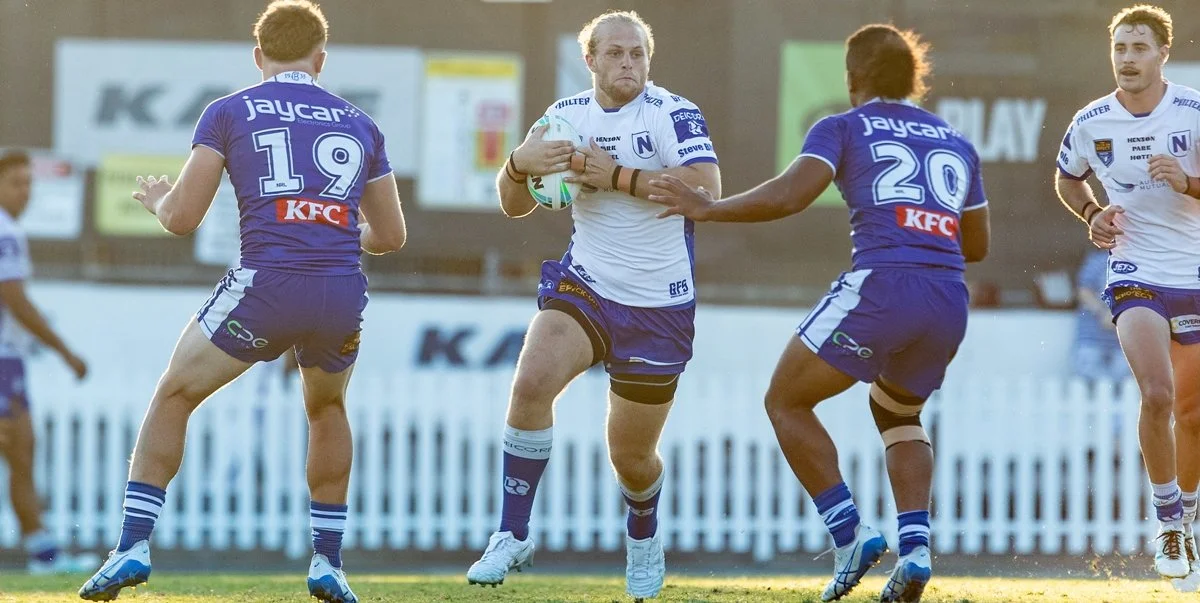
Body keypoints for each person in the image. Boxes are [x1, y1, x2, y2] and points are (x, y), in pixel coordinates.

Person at [78, 1, 407, 601]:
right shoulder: (361, 122)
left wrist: (154, 201)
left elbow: (182, 218)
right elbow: (390, 237)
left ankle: (130, 546)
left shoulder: (229, 111)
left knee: (174, 393)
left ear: (258, 57)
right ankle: (328, 562)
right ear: (320, 58)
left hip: (267, 285)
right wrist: (330, 226)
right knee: (327, 410)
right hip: (339, 290)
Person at [649, 24, 989, 603]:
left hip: (883, 285)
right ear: (914, 79)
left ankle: (850, 533)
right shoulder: (955, 140)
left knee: (785, 400)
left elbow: (789, 195)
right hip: (949, 297)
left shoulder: (843, 125)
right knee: (899, 413)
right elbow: (976, 245)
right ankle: (916, 550)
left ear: (853, 79)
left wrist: (709, 210)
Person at [463, 10, 721, 601]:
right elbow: (513, 204)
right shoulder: (564, 118)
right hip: (586, 286)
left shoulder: (671, 112)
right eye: (616, 53)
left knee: (631, 457)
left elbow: (707, 189)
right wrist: (516, 166)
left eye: (637, 54)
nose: (628, 63)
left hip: (659, 304)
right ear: (591, 60)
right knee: (530, 386)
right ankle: (512, 532)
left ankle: (643, 536)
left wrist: (619, 177)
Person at [1054, 4, 1200, 583]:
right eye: (1119, 48)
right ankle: (1166, 523)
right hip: (1134, 273)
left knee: (1192, 413)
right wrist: (1092, 213)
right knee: (1158, 393)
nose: (1128, 59)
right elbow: (1067, 175)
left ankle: (1188, 521)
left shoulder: (1193, 109)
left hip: (1194, 274)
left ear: (1163, 53)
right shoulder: (1091, 120)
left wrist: (1186, 181)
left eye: (1139, 48)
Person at [0, 150, 93, 574]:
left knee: (22, 452)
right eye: (17, 183)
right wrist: (65, 351)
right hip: (3, 361)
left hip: (10, 359)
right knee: (21, 452)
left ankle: (42, 551)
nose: (26, 192)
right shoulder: (6, 231)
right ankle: (42, 553)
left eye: (29, 183)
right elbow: (15, 299)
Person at [1072, 249, 1130, 384]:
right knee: (1088, 383)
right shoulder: (1097, 260)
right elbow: (1083, 291)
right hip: (1091, 340)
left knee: (1122, 386)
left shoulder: (1138, 264)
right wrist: (1102, 312)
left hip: (1122, 344)